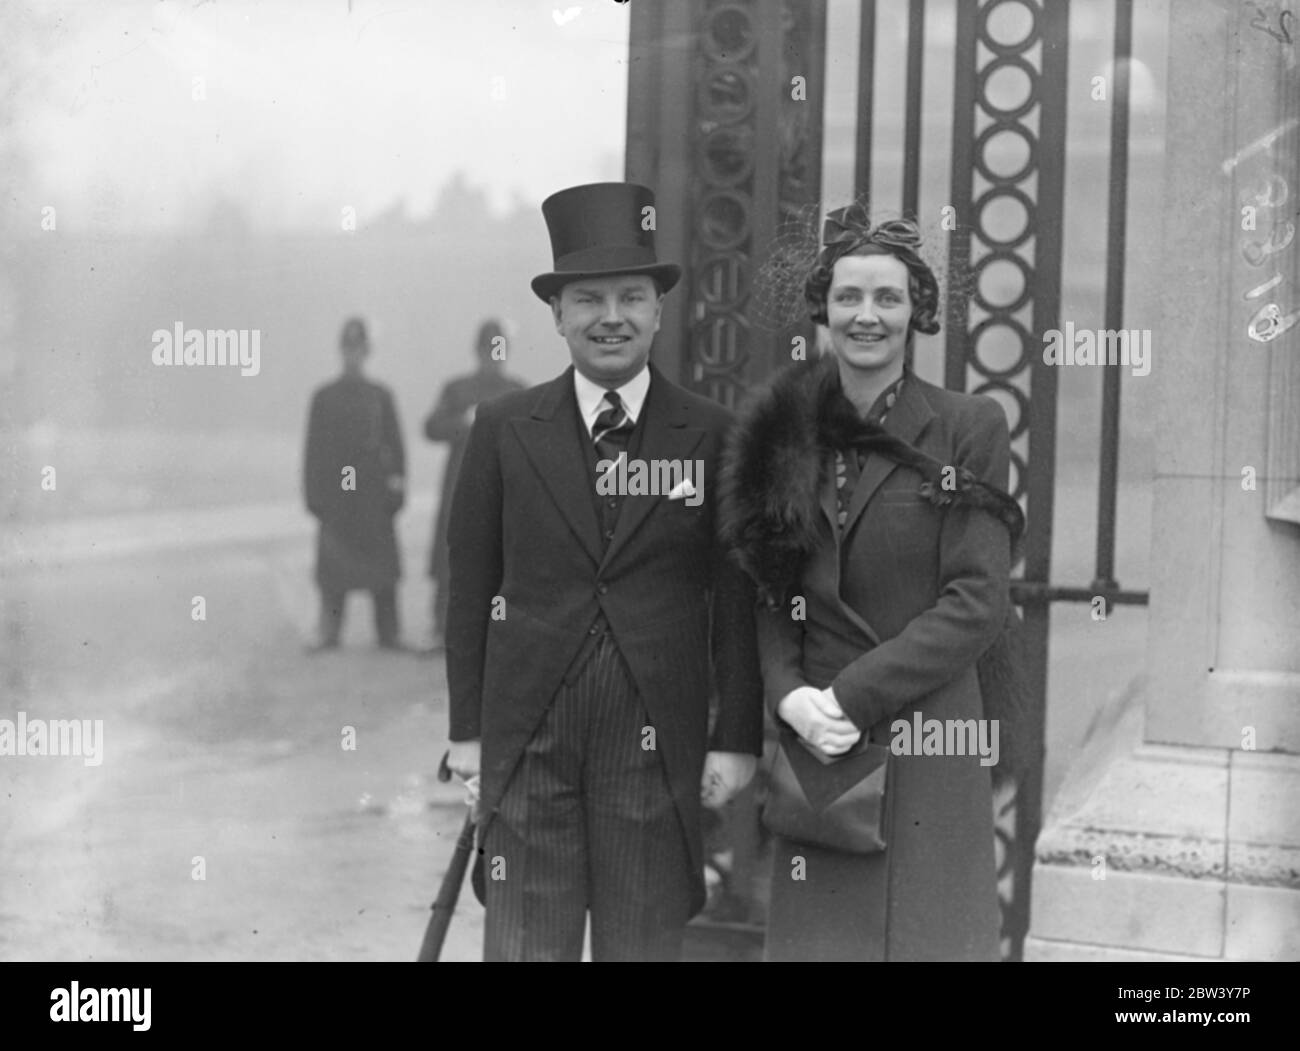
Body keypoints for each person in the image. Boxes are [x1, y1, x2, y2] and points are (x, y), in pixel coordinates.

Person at [443, 182, 763, 961]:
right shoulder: (503, 429)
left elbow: (736, 599)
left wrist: (736, 738)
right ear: (557, 316)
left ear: (659, 309)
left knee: (642, 948)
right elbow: (469, 586)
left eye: (631, 296)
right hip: (528, 735)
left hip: (655, 738)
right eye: (588, 299)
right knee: (526, 946)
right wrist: (467, 733)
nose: (610, 317)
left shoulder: (714, 435)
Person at [719, 205, 1020, 961]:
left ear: (917, 309)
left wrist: (851, 697)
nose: (867, 316)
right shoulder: (784, 428)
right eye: (849, 296)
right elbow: (770, 583)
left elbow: (976, 601)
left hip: (926, 736)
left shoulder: (966, 426)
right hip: (821, 748)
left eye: (888, 298)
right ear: (823, 306)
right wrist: (787, 691)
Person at [302, 317, 407, 651]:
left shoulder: (380, 396)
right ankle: (329, 631)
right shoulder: (324, 397)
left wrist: (397, 490)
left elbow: (397, 447)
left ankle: (389, 632)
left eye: (359, 349)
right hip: (338, 498)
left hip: (373, 498)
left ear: (367, 353)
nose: (353, 356)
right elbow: (313, 451)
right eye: (349, 349)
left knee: (382, 571)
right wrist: (314, 497)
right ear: (341, 352)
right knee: (334, 570)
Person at [422, 320, 525, 652]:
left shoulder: (518, 391)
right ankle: (442, 627)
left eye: (499, 351)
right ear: (478, 351)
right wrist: (462, 423)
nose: (493, 359)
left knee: (502, 557)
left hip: (502, 488)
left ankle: (500, 630)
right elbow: (431, 426)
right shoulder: (458, 390)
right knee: (450, 558)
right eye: (488, 351)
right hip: (461, 485)